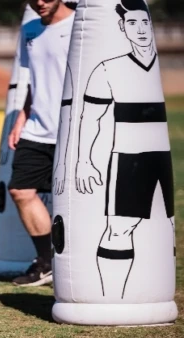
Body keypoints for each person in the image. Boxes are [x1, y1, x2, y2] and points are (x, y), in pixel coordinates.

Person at [54, 0, 174, 299]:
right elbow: (90, 119)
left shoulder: (154, 71)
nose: (141, 29)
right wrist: (83, 161)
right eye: (132, 23)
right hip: (129, 159)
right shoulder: (108, 68)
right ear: (122, 28)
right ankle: (108, 301)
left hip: (161, 158)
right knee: (119, 230)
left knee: (167, 227)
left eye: (144, 22)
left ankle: (153, 299)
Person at [7, 0, 74, 286]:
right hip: (37, 128)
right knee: (20, 191)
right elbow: (35, 81)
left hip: (75, 129)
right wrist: (21, 118)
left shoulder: (82, 25)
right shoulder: (31, 29)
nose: (40, 3)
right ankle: (45, 264)